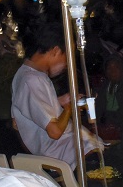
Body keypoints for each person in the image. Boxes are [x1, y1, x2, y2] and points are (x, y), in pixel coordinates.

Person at [11, 23, 102, 170]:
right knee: (99, 153)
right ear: (55, 51)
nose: (67, 64)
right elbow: (55, 132)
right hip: (56, 152)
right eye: (66, 57)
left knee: (96, 143)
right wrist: (68, 109)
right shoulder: (30, 80)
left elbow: (34, 108)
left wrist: (62, 101)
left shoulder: (32, 75)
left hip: (65, 145)